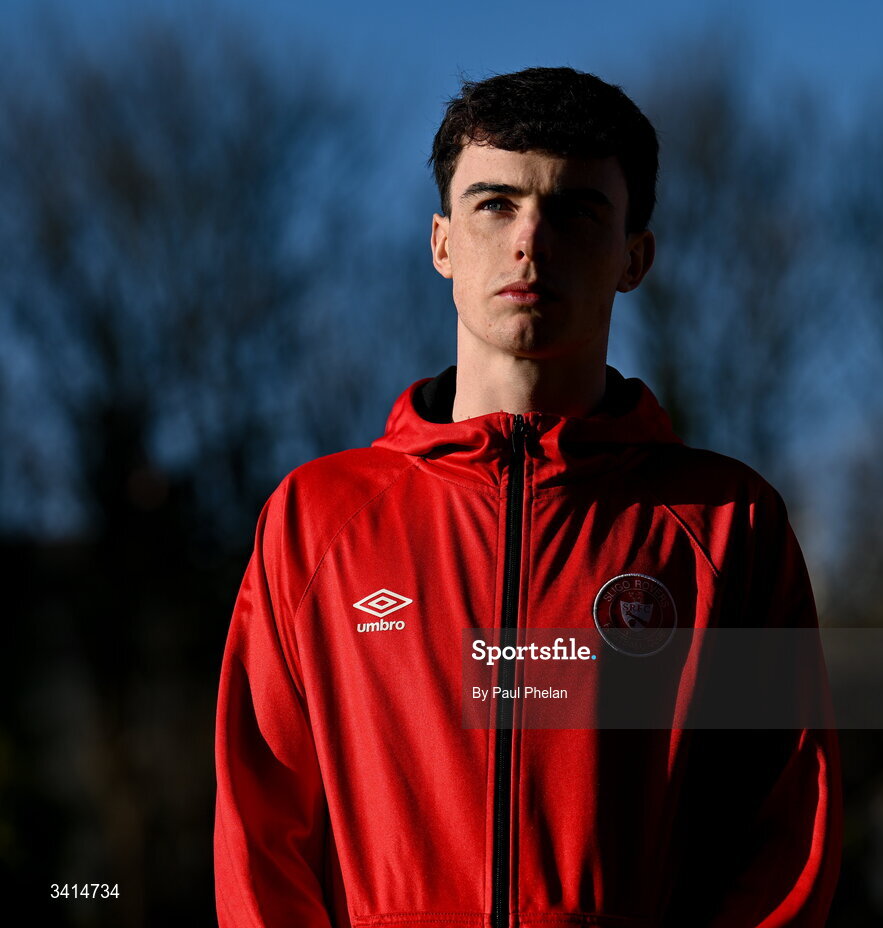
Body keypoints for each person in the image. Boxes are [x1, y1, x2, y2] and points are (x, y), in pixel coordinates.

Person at [214, 67, 842, 927]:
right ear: (441, 242)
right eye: (494, 204)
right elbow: (261, 833)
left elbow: (785, 836)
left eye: (576, 210)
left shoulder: (726, 523)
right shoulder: (315, 520)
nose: (530, 241)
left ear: (635, 255)